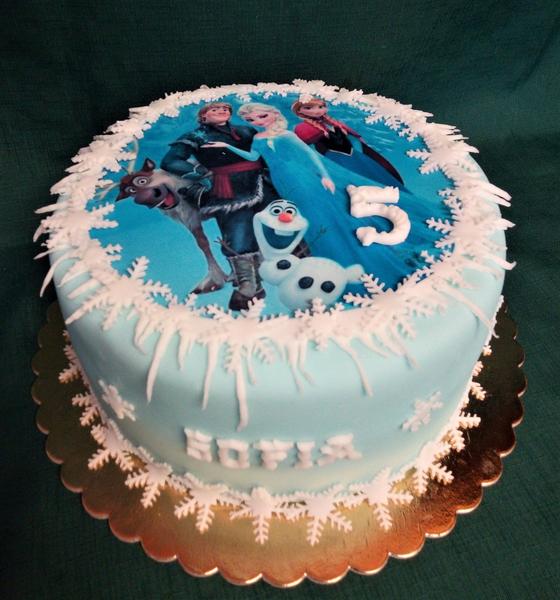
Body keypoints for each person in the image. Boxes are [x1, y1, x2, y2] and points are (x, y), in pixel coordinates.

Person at [203, 102, 446, 289]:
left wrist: (324, 176)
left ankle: (348, 247)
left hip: (302, 177)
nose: (256, 121)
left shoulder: (287, 135)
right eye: (250, 119)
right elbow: (254, 158)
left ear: (274, 114)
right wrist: (226, 147)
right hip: (282, 179)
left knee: (321, 213)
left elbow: (310, 156)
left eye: (261, 116)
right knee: (307, 216)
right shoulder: (257, 138)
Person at [160, 102, 279, 310]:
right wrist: (201, 174)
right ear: (203, 117)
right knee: (238, 230)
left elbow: (266, 150)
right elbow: (170, 161)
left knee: (277, 224)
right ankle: (248, 285)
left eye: (225, 109)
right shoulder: (195, 136)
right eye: (214, 110)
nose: (222, 111)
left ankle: (292, 271)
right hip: (228, 190)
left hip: (262, 182)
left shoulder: (246, 130)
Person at [292, 97, 404, 188]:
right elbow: (303, 149)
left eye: (321, 107)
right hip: (334, 161)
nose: (316, 111)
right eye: (308, 108)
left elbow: (355, 136)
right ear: (299, 110)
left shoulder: (334, 123)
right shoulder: (302, 128)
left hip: (354, 156)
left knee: (375, 174)